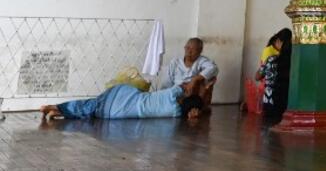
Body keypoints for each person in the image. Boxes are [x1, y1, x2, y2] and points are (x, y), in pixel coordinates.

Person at [41, 80, 205, 121]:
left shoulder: (172, 93)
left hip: (125, 98)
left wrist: (200, 86)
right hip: (119, 114)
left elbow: (186, 86)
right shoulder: (176, 114)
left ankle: (56, 107)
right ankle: (59, 111)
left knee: (93, 104)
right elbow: (194, 109)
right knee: (93, 109)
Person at [163, 38, 218, 104]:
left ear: (200, 51)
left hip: (191, 95)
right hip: (175, 93)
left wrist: (194, 79)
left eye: (193, 49)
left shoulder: (201, 61)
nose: (189, 52)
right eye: (188, 48)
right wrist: (164, 95)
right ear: (184, 48)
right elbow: (167, 82)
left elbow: (213, 68)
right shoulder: (175, 62)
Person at [260, 28, 291, 119]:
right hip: (284, 102)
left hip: (270, 100)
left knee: (268, 126)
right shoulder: (293, 60)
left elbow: (258, 76)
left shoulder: (272, 59)